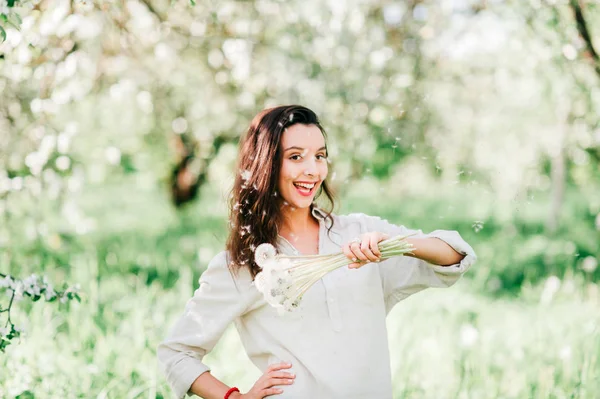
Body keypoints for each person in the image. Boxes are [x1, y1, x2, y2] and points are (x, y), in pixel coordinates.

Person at [157, 105, 477, 399]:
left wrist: (395, 246)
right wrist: (235, 398)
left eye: (320, 156)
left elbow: (456, 256)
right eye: (295, 157)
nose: (312, 169)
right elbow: (177, 353)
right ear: (266, 165)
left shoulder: (359, 233)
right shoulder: (244, 263)